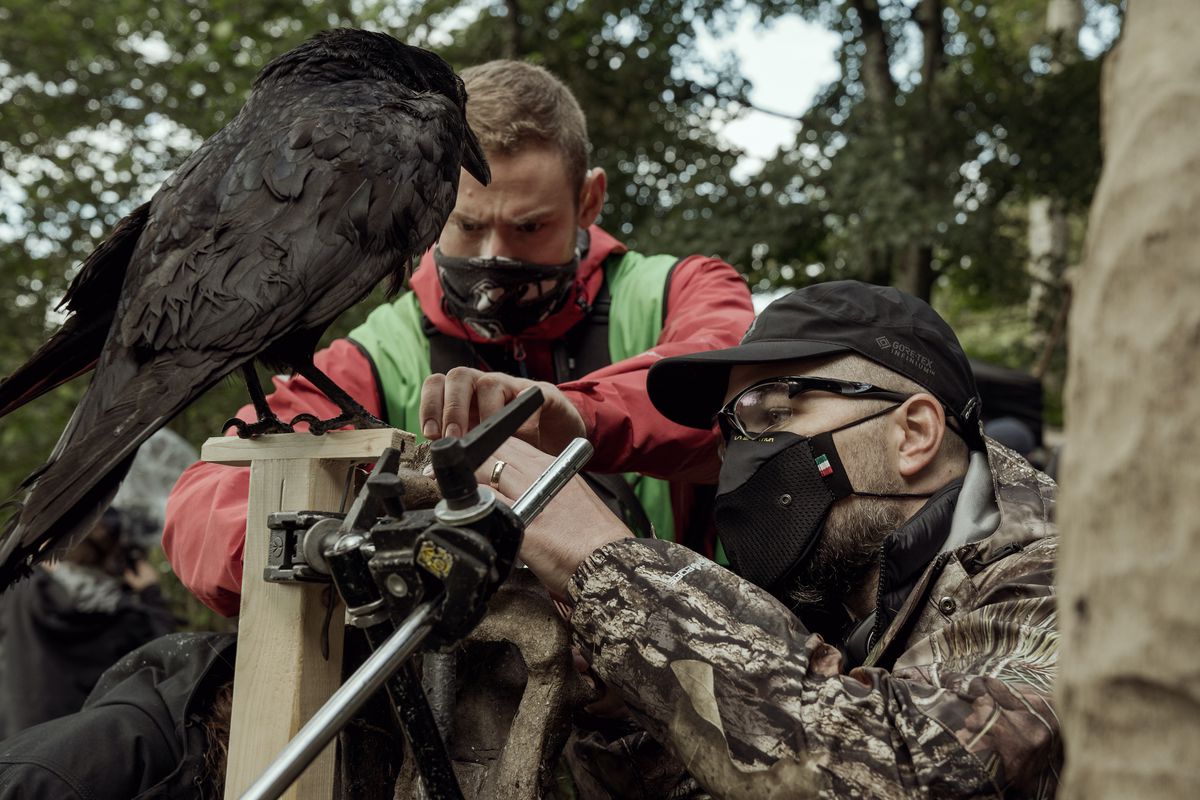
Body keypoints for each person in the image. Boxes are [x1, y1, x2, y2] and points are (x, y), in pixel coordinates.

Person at [162, 60, 753, 616]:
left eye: (529, 227)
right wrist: (330, 544)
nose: (494, 258)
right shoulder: (377, 353)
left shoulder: (679, 288)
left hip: (684, 649)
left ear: (589, 201)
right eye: (467, 225)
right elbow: (208, 494)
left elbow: (741, 400)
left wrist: (579, 415)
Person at [480, 281, 1061, 798]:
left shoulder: (1065, 580)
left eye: (773, 412)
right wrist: (633, 706)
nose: (740, 459)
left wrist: (612, 570)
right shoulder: (839, 592)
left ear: (913, 434)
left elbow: (916, 771)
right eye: (730, 431)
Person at [0, 507, 177, 739]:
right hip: (68, 751)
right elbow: (165, 652)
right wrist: (150, 594)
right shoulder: (122, 617)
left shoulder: (15, 589)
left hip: (10, 744)